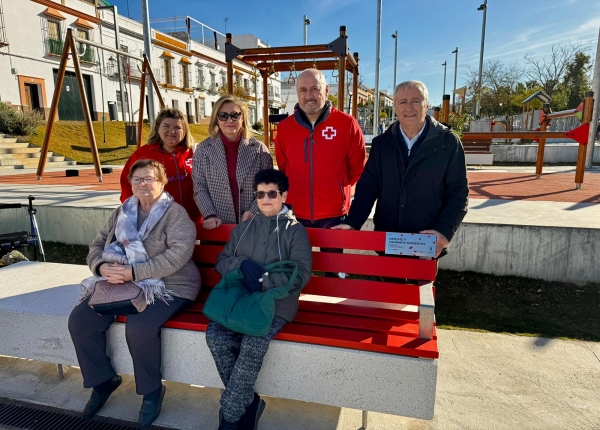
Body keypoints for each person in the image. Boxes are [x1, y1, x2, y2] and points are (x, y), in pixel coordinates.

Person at [69, 159, 201, 428]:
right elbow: (97, 244)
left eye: (149, 178)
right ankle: (103, 381)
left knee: (140, 326)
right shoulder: (123, 212)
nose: (143, 184)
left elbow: (178, 254)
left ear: (162, 183)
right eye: (137, 179)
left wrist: (133, 273)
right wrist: (102, 266)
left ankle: (151, 391)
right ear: (130, 184)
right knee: (80, 321)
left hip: (170, 285)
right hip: (120, 283)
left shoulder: (175, 214)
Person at [206, 168, 312, 430]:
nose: (266, 198)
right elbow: (221, 261)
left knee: (253, 341)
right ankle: (248, 401)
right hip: (240, 299)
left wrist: (265, 280)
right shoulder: (243, 229)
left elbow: (301, 275)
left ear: (283, 195)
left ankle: (230, 416)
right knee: (215, 336)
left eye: (272, 193)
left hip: (276, 304)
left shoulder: (295, 231)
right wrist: (241, 266)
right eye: (261, 194)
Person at [334, 80, 469, 258]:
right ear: (395, 107)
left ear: (426, 105)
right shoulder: (382, 144)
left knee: (420, 287)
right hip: (389, 239)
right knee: (390, 286)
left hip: (427, 240)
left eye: (415, 100)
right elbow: (368, 188)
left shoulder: (448, 143)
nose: (409, 107)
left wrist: (443, 232)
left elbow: (458, 194)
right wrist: (352, 222)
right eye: (402, 102)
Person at [274, 69, 365, 272]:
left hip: (333, 215)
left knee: (333, 272)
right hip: (295, 214)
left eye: (315, 89)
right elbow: (284, 166)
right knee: (295, 271)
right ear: (297, 93)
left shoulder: (347, 124)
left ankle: (332, 301)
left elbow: (357, 168)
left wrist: (337, 188)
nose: (309, 96)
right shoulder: (285, 128)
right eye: (303, 90)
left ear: (325, 90)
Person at [193, 95, 273, 230]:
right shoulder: (203, 150)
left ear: (243, 118)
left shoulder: (260, 150)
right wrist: (210, 215)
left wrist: (254, 210)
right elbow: (200, 188)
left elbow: (269, 186)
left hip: (254, 225)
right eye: (223, 116)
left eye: (235, 115)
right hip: (218, 226)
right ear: (216, 119)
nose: (229, 120)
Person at [120, 108, 201, 222]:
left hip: (195, 219)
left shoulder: (196, 152)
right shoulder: (142, 155)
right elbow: (127, 186)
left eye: (178, 127)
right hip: (155, 222)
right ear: (158, 128)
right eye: (166, 126)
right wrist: (136, 213)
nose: (172, 131)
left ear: (185, 131)